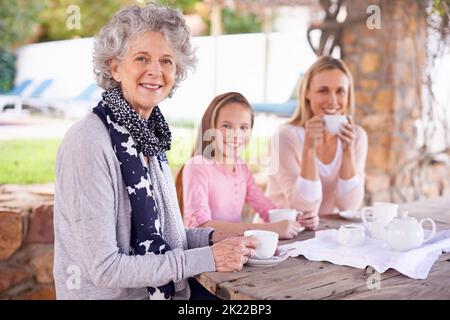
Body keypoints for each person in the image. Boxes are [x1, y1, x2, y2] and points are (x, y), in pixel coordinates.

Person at [53, 4, 258, 300]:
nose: (155, 71)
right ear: (114, 66)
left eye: (166, 61)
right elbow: (106, 269)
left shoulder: (150, 136)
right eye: (141, 58)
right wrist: (210, 257)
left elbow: (165, 236)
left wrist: (215, 238)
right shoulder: (88, 142)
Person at [175, 92, 306, 239]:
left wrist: (296, 220)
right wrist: (269, 229)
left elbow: (266, 209)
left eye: (243, 127)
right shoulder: (197, 166)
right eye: (226, 126)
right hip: (208, 256)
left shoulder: (240, 167)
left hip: (236, 253)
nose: (235, 134)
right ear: (210, 128)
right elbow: (201, 227)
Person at [265, 56, 368, 220]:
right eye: (323, 91)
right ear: (306, 93)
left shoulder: (357, 137)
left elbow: (349, 207)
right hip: (280, 234)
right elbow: (303, 209)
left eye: (340, 91)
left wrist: (347, 151)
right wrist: (309, 149)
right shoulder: (284, 137)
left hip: (324, 233)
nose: (332, 101)